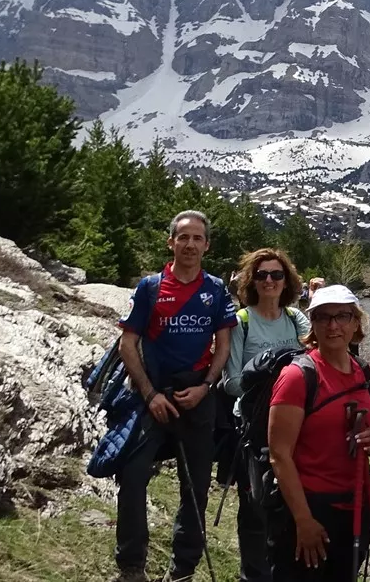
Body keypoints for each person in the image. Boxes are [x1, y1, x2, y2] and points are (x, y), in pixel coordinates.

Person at [115, 211, 237, 582]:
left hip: (198, 397)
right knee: (133, 476)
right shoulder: (150, 288)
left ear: (206, 245)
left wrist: (206, 386)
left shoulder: (215, 290)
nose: (190, 244)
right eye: (183, 237)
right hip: (153, 397)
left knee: (196, 485)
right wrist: (149, 393)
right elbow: (128, 342)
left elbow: (224, 345)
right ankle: (132, 564)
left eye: (197, 238)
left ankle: (182, 568)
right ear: (171, 242)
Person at [267, 285, 370, 582]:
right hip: (308, 507)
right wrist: (303, 520)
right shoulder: (298, 377)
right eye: (323, 317)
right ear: (313, 324)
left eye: (342, 316)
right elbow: (279, 455)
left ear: (356, 322)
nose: (333, 325)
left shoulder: (365, 373)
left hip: (354, 508)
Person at [224, 248, 310, 582]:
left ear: (287, 280)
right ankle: (253, 575)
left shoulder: (296, 320)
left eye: (277, 274)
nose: (270, 281)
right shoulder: (241, 322)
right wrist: (266, 377)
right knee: (256, 507)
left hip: (297, 424)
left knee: (291, 499)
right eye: (262, 275)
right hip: (254, 428)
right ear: (252, 281)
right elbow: (230, 382)